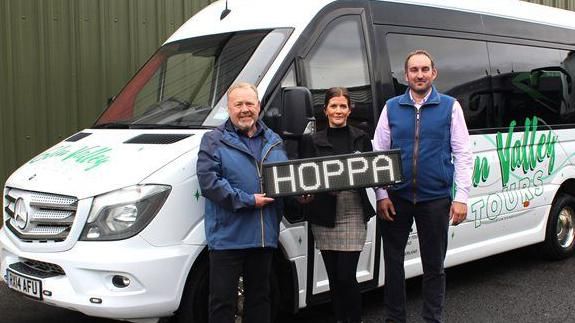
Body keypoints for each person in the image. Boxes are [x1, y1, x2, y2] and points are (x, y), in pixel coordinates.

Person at [373, 50, 473, 323]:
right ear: (406, 75)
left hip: (435, 199)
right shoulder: (391, 107)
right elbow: (379, 152)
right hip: (397, 198)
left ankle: (432, 319)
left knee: (434, 266)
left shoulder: (450, 106)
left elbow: (463, 153)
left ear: (434, 73)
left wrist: (461, 197)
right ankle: (395, 319)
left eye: (424, 69)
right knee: (393, 265)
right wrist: (382, 194)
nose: (419, 74)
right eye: (414, 70)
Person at [196, 82, 287, 323]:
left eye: (249, 103)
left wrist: (300, 196)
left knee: (260, 300)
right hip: (228, 238)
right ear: (229, 108)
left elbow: (285, 180)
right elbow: (209, 183)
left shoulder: (274, 140)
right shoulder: (213, 140)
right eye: (238, 104)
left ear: (258, 106)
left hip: (263, 237)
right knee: (222, 304)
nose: (245, 109)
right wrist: (248, 201)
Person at [298, 87, 375, 323]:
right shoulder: (310, 140)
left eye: (343, 106)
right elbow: (305, 176)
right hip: (324, 213)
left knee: (346, 275)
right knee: (333, 276)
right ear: (326, 110)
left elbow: (371, 171)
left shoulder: (362, 137)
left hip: (352, 209)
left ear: (349, 109)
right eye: (334, 106)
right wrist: (308, 195)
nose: (338, 111)